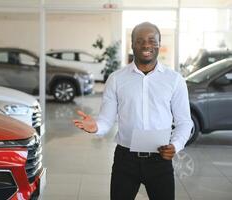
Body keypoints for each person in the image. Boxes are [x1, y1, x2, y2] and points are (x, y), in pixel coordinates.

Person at [73, 22, 192, 200]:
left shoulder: (174, 80)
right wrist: (96, 126)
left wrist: (175, 145)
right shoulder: (116, 79)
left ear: (159, 44)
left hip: (160, 159)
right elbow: (106, 120)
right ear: (132, 44)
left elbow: (184, 122)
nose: (146, 45)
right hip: (125, 159)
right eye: (140, 41)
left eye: (152, 40)